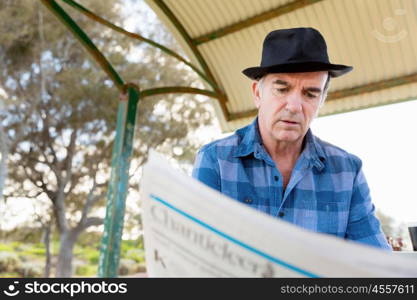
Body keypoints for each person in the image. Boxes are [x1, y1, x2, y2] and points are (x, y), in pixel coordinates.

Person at [192, 27, 391, 250]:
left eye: (310, 94)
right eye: (282, 89)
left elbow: (375, 263)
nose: (295, 106)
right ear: (258, 93)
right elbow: (194, 258)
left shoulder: (348, 171)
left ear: (322, 100)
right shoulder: (215, 161)